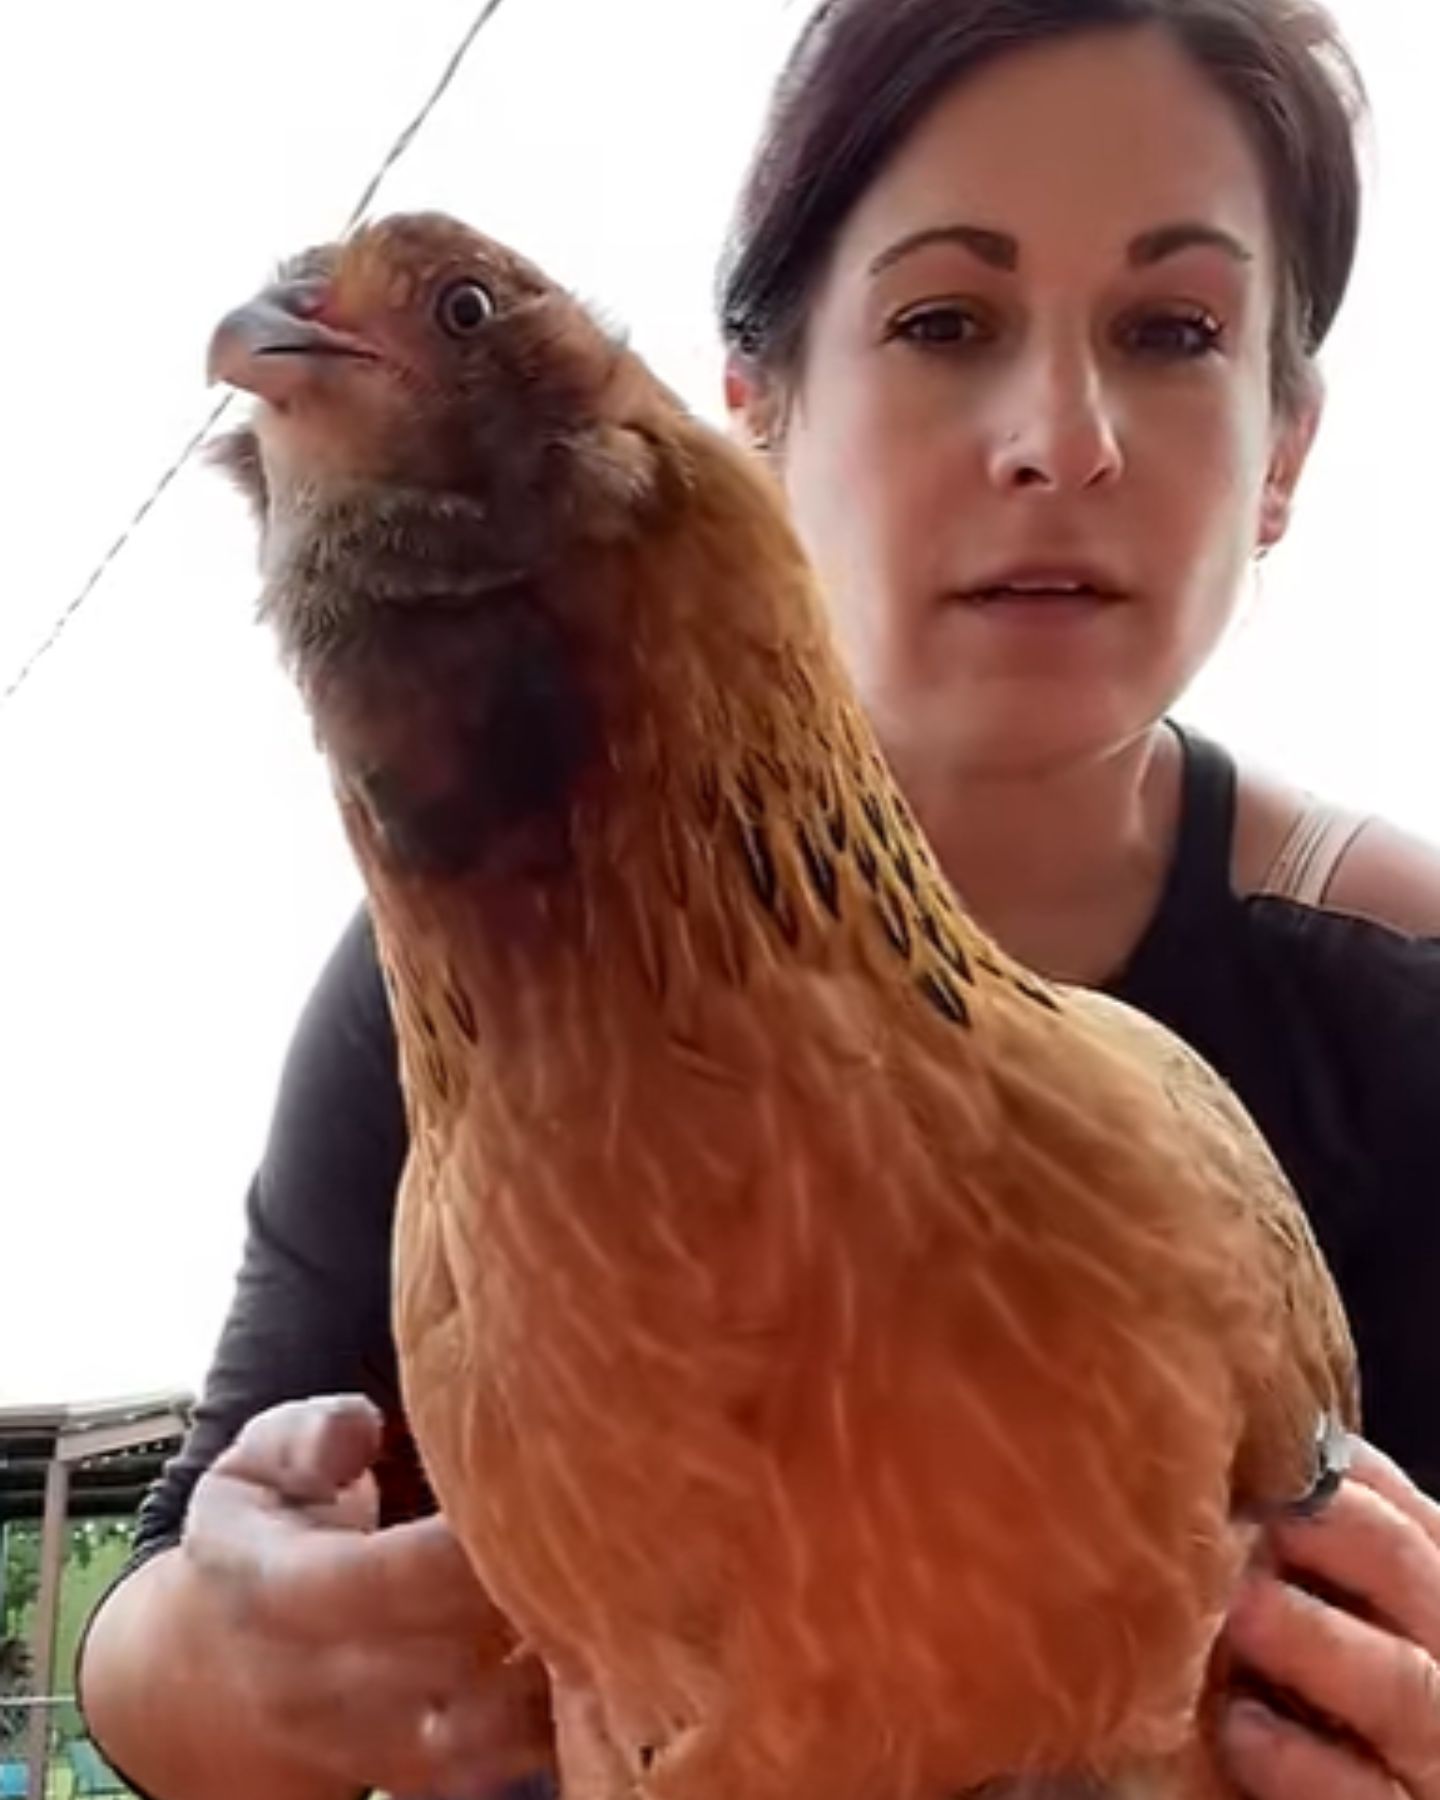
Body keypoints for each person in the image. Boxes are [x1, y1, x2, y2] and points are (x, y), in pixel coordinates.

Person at [78, 0, 1440, 1796]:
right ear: (757, 417)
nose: (1063, 437)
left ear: (1283, 451)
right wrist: (233, 1649)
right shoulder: (468, 1016)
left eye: (1175, 329)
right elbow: (162, 1646)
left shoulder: (1399, 1016)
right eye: (945, 321)